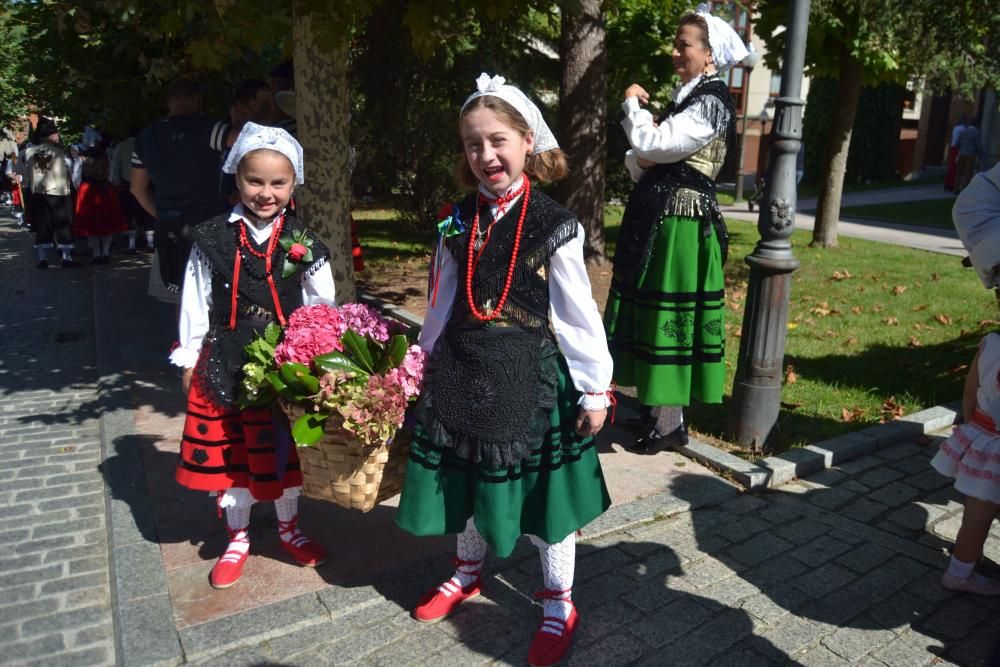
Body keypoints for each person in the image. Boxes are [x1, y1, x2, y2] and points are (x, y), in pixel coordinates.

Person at [395, 73, 614, 667]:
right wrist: (419, 364)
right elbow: (440, 300)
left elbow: (575, 313)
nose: (486, 154)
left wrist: (595, 386)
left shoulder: (552, 222)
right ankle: (466, 572)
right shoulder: (453, 222)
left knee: (544, 500)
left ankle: (557, 602)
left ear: (526, 142)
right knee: (466, 483)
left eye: (498, 140)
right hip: (463, 371)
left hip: (529, 377)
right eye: (473, 144)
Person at [169, 122, 334, 589]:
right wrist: (188, 355)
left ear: (293, 184)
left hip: (285, 366)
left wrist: (321, 356)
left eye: (277, 183)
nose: (266, 192)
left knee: (282, 455)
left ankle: (289, 528)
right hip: (225, 359)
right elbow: (196, 298)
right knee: (235, 458)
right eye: (254, 181)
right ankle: (237, 537)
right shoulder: (211, 238)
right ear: (237, 178)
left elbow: (322, 305)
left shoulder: (305, 242)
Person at [604, 7, 745, 452]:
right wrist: (648, 151)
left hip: (683, 223)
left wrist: (632, 108)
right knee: (654, 312)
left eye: (683, 44)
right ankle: (656, 414)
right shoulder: (689, 98)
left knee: (672, 315)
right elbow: (643, 160)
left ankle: (669, 425)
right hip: (664, 220)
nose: (674, 51)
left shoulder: (711, 100)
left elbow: (653, 146)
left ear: (709, 56)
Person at [131, 78, 234, 302]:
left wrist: (162, 214)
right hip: (212, 226)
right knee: (217, 298)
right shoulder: (212, 130)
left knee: (181, 297)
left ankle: (185, 338)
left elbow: (137, 188)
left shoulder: (146, 138)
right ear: (198, 100)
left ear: (169, 102)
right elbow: (245, 142)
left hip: (169, 230)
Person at [930, 333, 1000, 595]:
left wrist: (973, 428)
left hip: (985, 440)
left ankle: (969, 561)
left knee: (977, 512)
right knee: (980, 515)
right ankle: (959, 573)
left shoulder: (990, 345)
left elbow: (970, 391)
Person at [24, 117, 78, 269]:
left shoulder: (30, 152)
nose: (57, 137)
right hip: (59, 192)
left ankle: (43, 259)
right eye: (55, 134)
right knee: (63, 225)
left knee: (42, 225)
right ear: (49, 136)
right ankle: (66, 258)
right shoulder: (59, 152)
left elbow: (29, 173)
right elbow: (68, 172)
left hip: (39, 192)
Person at [73, 146, 128, 264]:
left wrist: (81, 189)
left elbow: (75, 179)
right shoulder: (105, 158)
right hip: (104, 189)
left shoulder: (81, 159)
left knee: (91, 225)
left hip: (87, 190)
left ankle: (97, 254)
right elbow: (111, 175)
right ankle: (105, 253)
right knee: (106, 223)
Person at [111, 129, 154, 253]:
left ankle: (132, 245)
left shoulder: (121, 146)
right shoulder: (147, 144)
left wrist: (116, 181)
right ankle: (150, 243)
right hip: (147, 182)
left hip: (127, 183)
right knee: (147, 213)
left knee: (131, 214)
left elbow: (116, 165)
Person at [955, 121, 982, 194]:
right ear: (976, 125)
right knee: (967, 173)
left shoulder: (963, 131)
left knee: (959, 172)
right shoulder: (976, 132)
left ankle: (956, 189)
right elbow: (978, 145)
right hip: (971, 154)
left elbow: (957, 143)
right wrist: (979, 156)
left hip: (961, 153)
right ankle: (963, 190)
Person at [945, 114, 968, 192]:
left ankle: (948, 183)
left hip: (952, 147)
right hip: (957, 148)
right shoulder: (963, 128)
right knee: (955, 167)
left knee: (951, 166)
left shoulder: (955, 127)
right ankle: (951, 184)